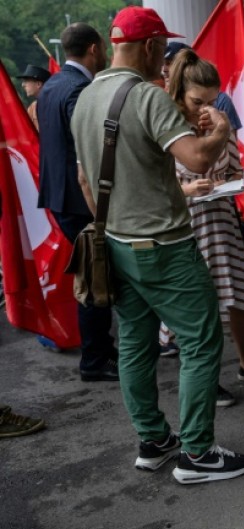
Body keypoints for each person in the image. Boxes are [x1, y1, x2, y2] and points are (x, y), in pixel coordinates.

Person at [72, 6, 244, 483]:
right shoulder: (146, 97)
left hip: (114, 242)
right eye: (164, 51)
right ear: (152, 47)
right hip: (165, 246)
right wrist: (220, 132)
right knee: (200, 339)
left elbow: (83, 179)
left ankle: (153, 441)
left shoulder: (86, 97)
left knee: (134, 343)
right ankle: (197, 452)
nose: (167, 64)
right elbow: (194, 160)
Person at [165, 49, 244, 391]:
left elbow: (237, 170)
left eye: (213, 100)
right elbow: (151, 188)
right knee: (194, 309)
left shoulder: (219, 123)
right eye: (198, 101)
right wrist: (188, 189)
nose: (206, 108)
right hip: (185, 226)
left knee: (236, 296)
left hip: (222, 222)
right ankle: (205, 379)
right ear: (179, 92)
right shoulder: (167, 128)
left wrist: (229, 182)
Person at [36, 23, 118, 382]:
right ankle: (95, 360)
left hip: (57, 196)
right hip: (79, 199)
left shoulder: (52, 85)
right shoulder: (80, 90)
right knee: (95, 277)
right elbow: (89, 149)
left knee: (92, 275)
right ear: (95, 48)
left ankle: (100, 350)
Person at [16, 64, 52, 130]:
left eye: (26, 81)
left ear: (38, 84)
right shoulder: (32, 108)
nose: (23, 85)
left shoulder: (53, 105)